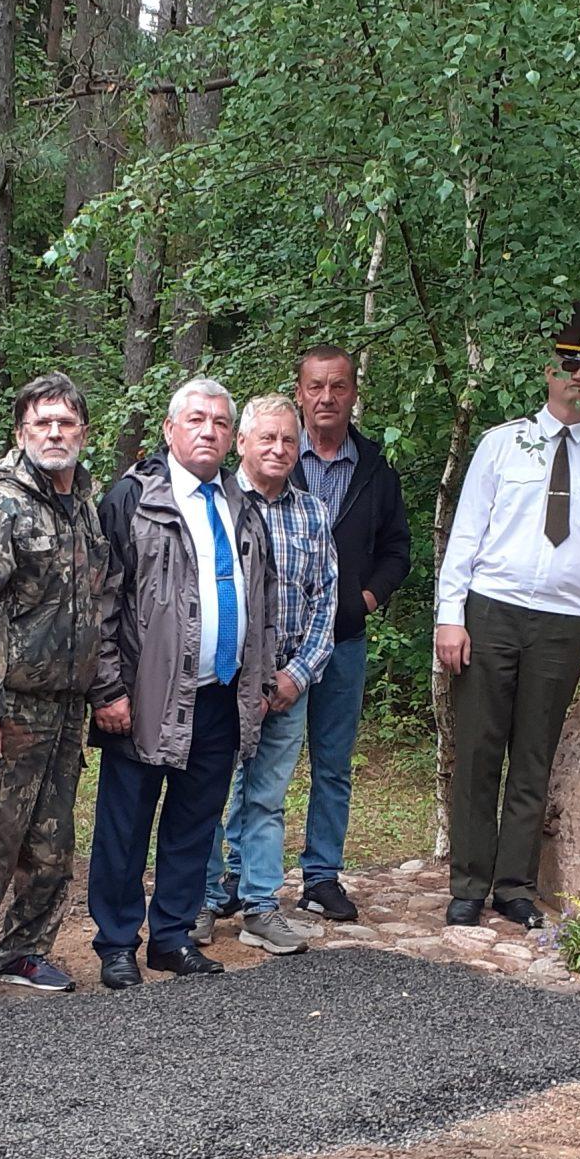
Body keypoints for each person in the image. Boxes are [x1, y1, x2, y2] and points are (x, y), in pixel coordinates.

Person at [433, 303, 580, 931]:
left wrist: (575, 576)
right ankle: (468, 882)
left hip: (560, 622)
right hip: (491, 612)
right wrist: (451, 616)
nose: (577, 377)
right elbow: (465, 536)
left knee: (534, 754)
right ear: (549, 368)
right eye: (568, 364)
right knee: (478, 751)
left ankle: (514, 885)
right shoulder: (502, 446)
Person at [89, 378, 278, 988]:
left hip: (220, 693)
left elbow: (263, 600)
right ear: (170, 430)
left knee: (195, 821)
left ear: (231, 437)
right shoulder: (131, 498)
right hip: (145, 694)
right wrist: (108, 688)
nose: (209, 431)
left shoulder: (241, 503)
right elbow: (101, 602)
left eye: (221, 423)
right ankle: (117, 942)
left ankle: (171, 936)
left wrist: (258, 681)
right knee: (127, 821)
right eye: (196, 419)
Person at [0, 373, 110, 996]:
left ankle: (27, 949)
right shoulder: (1, 500)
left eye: (67, 423)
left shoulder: (86, 502)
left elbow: (96, 600)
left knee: (53, 837)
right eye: (43, 423)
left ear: (84, 433)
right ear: (21, 432)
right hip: (11, 700)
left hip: (68, 703)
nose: (56, 433)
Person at [197, 394, 338, 955]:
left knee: (266, 799)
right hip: (226, 683)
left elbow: (328, 601)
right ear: (243, 443)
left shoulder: (313, 512)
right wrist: (247, 678)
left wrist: (297, 675)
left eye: (288, 439)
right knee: (205, 795)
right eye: (267, 439)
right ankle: (204, 899)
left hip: (291, 684)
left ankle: (259, 905)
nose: (279, 449)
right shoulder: (219, 506)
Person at [283, 345, 410, 924]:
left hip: (344, 640)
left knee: (332, 763)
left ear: (354, 392)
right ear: (300, 391)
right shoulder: (278, 455)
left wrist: (366, 597)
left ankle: (321, 876)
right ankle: (237, 874)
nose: (326, 398)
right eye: (315, 386)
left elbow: (397, 550)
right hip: (279, 640)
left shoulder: (375, 467)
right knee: (255, 759)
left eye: (338, 386)